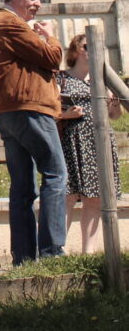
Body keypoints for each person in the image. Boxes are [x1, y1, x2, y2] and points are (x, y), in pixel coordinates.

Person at [0, 0, 66, 265]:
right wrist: (51, 35)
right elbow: (52, 56)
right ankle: (52, 252)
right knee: (56, 175)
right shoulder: (8, 22)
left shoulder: (4, 23)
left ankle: (24, 258)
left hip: (9, 111)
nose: (38, 4)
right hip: (27, 108)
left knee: (23, 188)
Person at [57, 34, 122, 253]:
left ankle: (89, 252)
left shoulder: (102, 80)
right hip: (71, 140)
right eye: (87, 46)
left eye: (98, 46)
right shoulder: (61, 78)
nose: (93, 50)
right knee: (68, 195)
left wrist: (114, 104)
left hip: (98, 141)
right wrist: (66, 115)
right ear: (75, 51)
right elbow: (50, 109)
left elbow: (114, 116)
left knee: (95, 198)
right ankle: (58, 250)